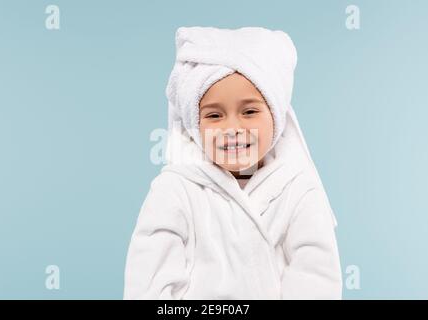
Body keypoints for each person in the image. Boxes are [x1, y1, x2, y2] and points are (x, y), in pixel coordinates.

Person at [123, 26, 342, 299]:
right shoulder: (174, 189)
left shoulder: (299, 188)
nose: (232, 128)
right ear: (194, 124)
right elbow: (149, 279)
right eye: (214, 116)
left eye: (249, 111)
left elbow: (316, 275)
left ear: (275, 116)